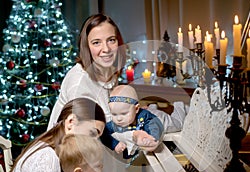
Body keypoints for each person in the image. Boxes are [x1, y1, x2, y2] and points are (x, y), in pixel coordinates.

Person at [47, 13, 186, 148]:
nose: (106, 49)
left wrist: (130, 113)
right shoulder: (79, 83)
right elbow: (86, 135)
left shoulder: (107, 69)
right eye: (96, 43)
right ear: (86, 47)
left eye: (111, 40)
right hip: (73, 153)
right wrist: (134, 130)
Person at [101, 85, 164, 159]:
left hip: (161, 118)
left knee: (176, 123)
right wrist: (115, 144)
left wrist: (152, 138)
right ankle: (152, 106)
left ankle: (178, 107)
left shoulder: (144, 116)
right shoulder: (115, 123)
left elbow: (154, 126)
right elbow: (102, 133)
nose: (118, 118)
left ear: (136, 109)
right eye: (114, 114)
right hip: (136, 152)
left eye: (124, 113)